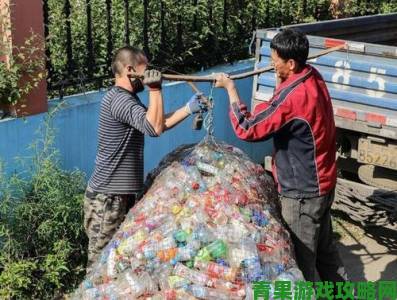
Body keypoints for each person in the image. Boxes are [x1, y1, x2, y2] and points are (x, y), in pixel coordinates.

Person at [214, 29, 347, 283]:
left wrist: (231, 90)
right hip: (322, 182)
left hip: (302, 193)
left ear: (291, 63)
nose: (271, 64)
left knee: (300, 262)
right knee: (326, 255)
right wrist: (280, 77)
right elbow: (281, 103)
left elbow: (248, 128)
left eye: (275, 59)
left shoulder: (292, 99)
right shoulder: (312, 76)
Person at [84, 46, 207, 271]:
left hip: (120, 196)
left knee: (118, 262)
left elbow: (156, 122)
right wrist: (155, 90)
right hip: (107, 199)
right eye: (146, 68)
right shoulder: (119, 100)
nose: (150, 72)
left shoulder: (126, 99)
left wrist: (188, 109)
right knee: (100, 266)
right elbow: (154, 128)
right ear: (131, 69)